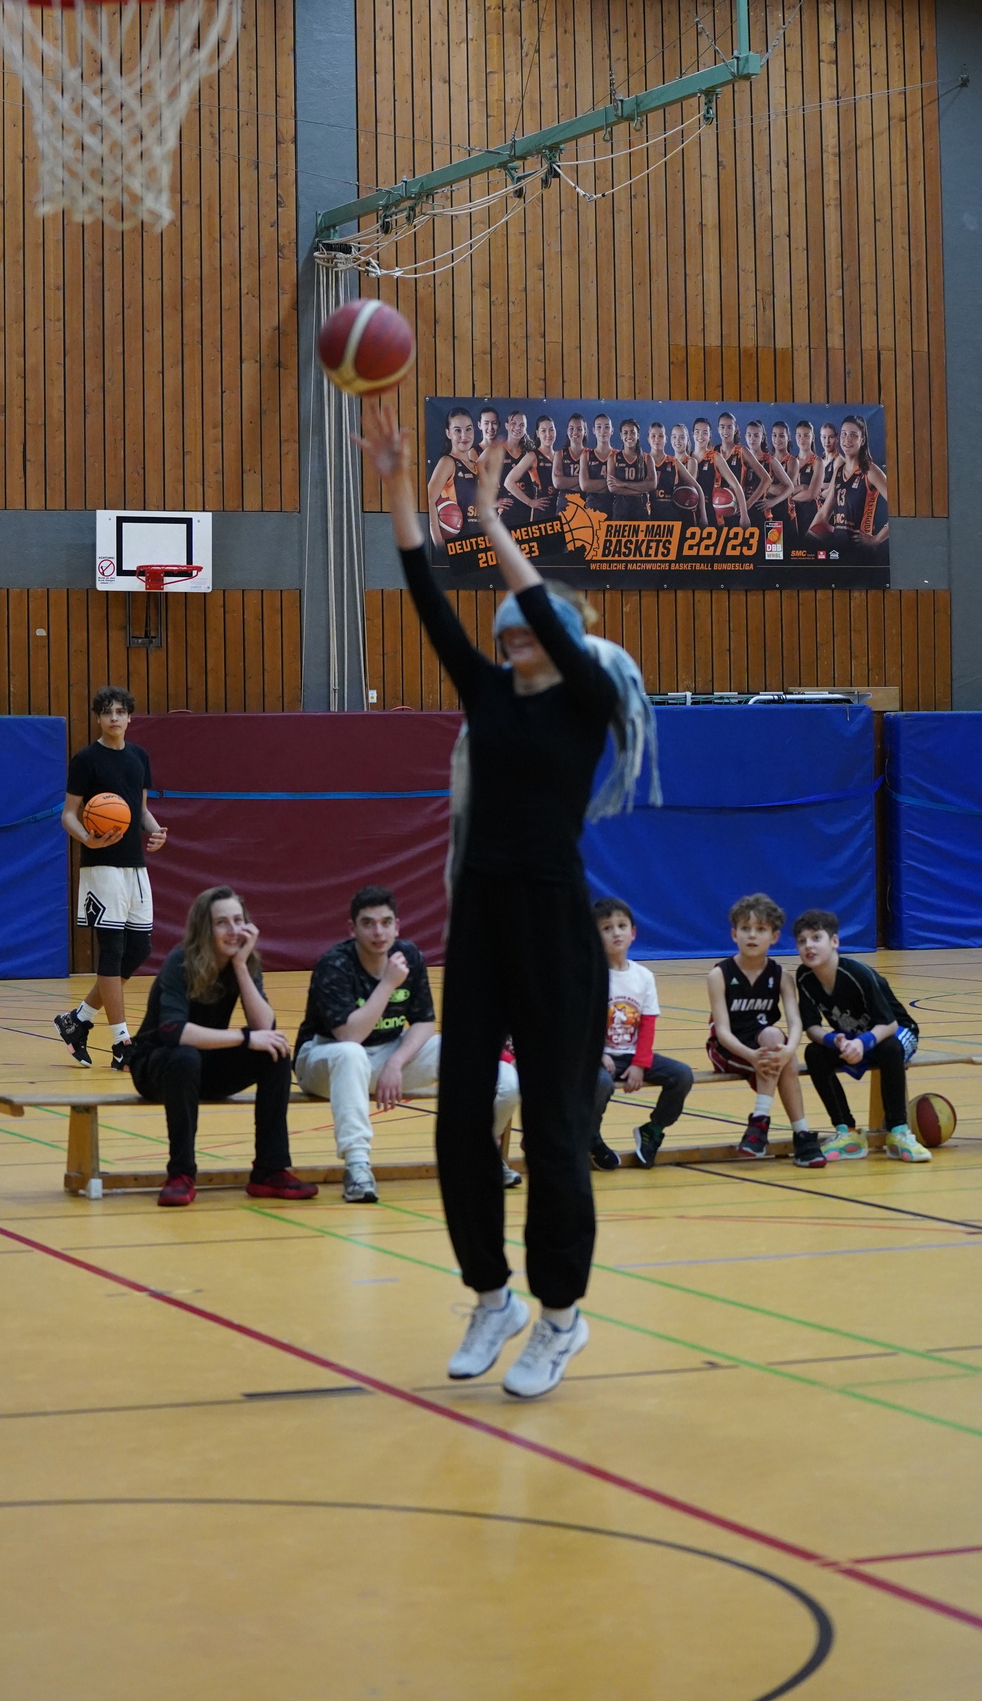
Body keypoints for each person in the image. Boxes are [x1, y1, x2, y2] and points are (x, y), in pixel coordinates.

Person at [353, 400, 659, 1401]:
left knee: (555, 1131)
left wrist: (490, 519)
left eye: (532, 625)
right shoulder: (485, 695)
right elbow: (423, 595)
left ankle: (560, 1316)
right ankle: (490, 1295)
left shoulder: (587, 703)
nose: (513, 633)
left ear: (560, 637)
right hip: (479, 922)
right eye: (507, 629)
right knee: (458, 1125)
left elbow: (547, 624)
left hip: (553, 927)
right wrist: (398, 492)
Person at [295, 884, 521, 1203]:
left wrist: (396, 1062)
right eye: (368, 923)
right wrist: (388, 984)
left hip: (388, 1051)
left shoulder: (410, 955)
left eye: (386, 922)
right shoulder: (334, 964)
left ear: (397, 926)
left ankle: (481, 1154)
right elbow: (350, 1035)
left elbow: (424, 1023)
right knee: (351, 1054)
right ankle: (357, 1167)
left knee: (494, 1071)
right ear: (352, 929)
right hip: (323, 1059)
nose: (378, 932)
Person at [125, 886, 321, 1206]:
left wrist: (242, 966)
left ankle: (269, 1170)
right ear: (205, 928)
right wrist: (244, 1038)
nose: (233, 930)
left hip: (203, 1065)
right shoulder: (181, 961)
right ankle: (181, 1174)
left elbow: (265, 1027)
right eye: (222, 923)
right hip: (156, 1067)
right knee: (184, 1057)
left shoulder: (242, 962)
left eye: (238, 920)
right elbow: (174, 1032)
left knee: (275, 1052)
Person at [56, 686, 167, 1069]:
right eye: (107, 712)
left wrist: (155, 830)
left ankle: (78, 1020)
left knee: (140, 950)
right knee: (113, 949)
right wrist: (88, 838)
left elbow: (139, 810)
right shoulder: (86, 759)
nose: (115, 718)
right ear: (99, 718)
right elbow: (68, 814)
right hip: (101, 866)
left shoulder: (139, 757)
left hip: (135, 867)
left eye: (120, 711)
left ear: (130, 717)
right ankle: (121, 1041)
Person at [793, 909, 929, 1161]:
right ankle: (847, 1131)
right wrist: (833, 1040)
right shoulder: (804, 977)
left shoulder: (858, 974)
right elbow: (811, 1028)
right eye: (802, 941)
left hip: (895, 1032)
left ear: (834, 941)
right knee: (814, 1053)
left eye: (816, 938)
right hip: (854, 1038)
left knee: (890, 1048)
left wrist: (862, 1043)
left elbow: (889, 1024)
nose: (808, 946)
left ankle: (898, 1132)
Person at [705, 894, 826, 1166]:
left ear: (774, 937)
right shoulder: (719, 975)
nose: (752, 935)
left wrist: (788, 1050)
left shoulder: (781, 976)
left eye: (760, 929)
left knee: (778, 1044)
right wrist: (752, 1055)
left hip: (765, 1046)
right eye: (745, 928)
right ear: (734, 934)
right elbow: (722, 1031)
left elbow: (795, 1022)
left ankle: (763, 1125)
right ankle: (801, 1135)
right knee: (781, 1056)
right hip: (729, 1049)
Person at [589, 897, 694, 1170]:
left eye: (621, 926)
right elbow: (581, 1024)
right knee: (601, 1084)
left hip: (632, 1055)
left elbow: (647, 1024)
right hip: (597, 1057)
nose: (616, 933)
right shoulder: (590, 974)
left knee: (682, 1075)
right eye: (607, 928)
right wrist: (597, 1053)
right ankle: (590, 1136)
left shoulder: (643, 976)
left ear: (633, 932)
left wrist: (639, 1063)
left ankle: (653, 1130)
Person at [807, 416, 889, 553]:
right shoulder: (838, 472)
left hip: (861, 552)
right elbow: (823, 514)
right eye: (844, 434)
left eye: (853, 435)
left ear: (862, 440)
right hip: (839, 551)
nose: (847, 439)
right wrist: (804, 543)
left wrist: (876, 539)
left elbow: (898, 505)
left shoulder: (869, 471)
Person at [504, 414, 565, 552]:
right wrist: (530, 502)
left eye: (551, 430)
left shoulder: (559, 456)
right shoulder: (532, 456)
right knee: (540, 558)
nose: (548, 434)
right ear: (537, 433)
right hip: (540, 516)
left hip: (559, 515)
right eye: (543, 431)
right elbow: (509, 482)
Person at [428, 407, 479, 550]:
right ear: (448, 433)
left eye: (468, 429)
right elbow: (429, 500)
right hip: (458, 546)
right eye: (457, 430)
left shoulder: (478, 466)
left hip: (480, 544)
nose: (464, 435)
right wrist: (439, 545)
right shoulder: (447, 462)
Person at [605, 418, 653, 520]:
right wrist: (640, 490)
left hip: (641, 511)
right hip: (620, 512)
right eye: (625, 433)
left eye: (632, 432)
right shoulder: (613, 458)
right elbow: (612, 488)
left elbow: (652, 485)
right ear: (621, 436)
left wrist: (623, 484)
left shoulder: (647, 458)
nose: (629, 436)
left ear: (638, 435)